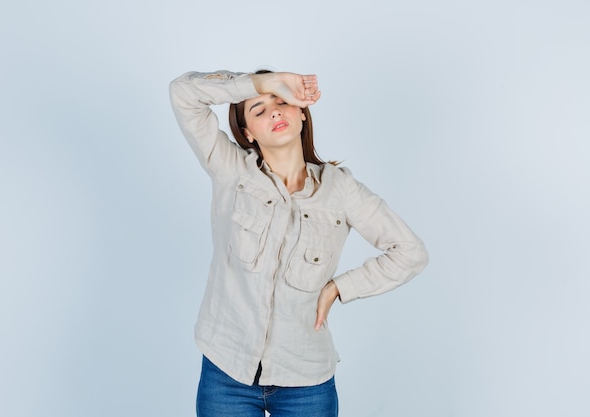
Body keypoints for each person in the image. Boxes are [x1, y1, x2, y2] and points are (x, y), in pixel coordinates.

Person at [169, 69, 428, 417]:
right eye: (259, 110)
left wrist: (339, 287)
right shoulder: (231, 170)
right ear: (247, 133)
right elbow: (183, 93)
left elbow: (410, 252)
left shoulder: (341, 190)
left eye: (282, 102)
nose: (274, 111)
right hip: (226, 373)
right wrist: (264, 83)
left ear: (302, 112)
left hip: (306, 381)